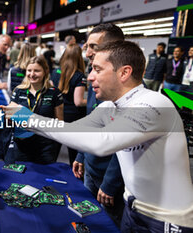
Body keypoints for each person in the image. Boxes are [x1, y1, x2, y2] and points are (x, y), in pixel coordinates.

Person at [4, 41, 193, 232]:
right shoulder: (111, 106)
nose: (90, 77)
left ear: (124, 73)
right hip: (133, 210)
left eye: (97, 69)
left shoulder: (153, 104)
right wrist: (25, 118)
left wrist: (28, 117)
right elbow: (70, 130)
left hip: (167, 220)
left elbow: (102, 142)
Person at [75, 23, 125, 226]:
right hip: (91, 170)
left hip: (110, 181)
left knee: (106, 226)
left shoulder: (126, 87)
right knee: (87, 223)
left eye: (93, 46)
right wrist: (81, 154)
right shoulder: (96, 78)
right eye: (86, 46)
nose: (87, 53)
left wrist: (110, 183)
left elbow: (125, 143)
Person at [6, 56, 64, 164]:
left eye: (36, 71)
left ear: (45, 71)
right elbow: (10, 118)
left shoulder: (54, 93)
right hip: (22, 144)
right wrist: (8, 115)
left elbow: (60, 122)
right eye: (29, 70)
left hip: (45, 146)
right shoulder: (19, 91)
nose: (32, 74)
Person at [51, 45, 87, 166]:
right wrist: (92, 101)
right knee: (74, 153)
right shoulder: (79, 76)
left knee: (53, 150)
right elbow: (79, 101)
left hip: (56, 114)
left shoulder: (55, 72)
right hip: (74, 117)